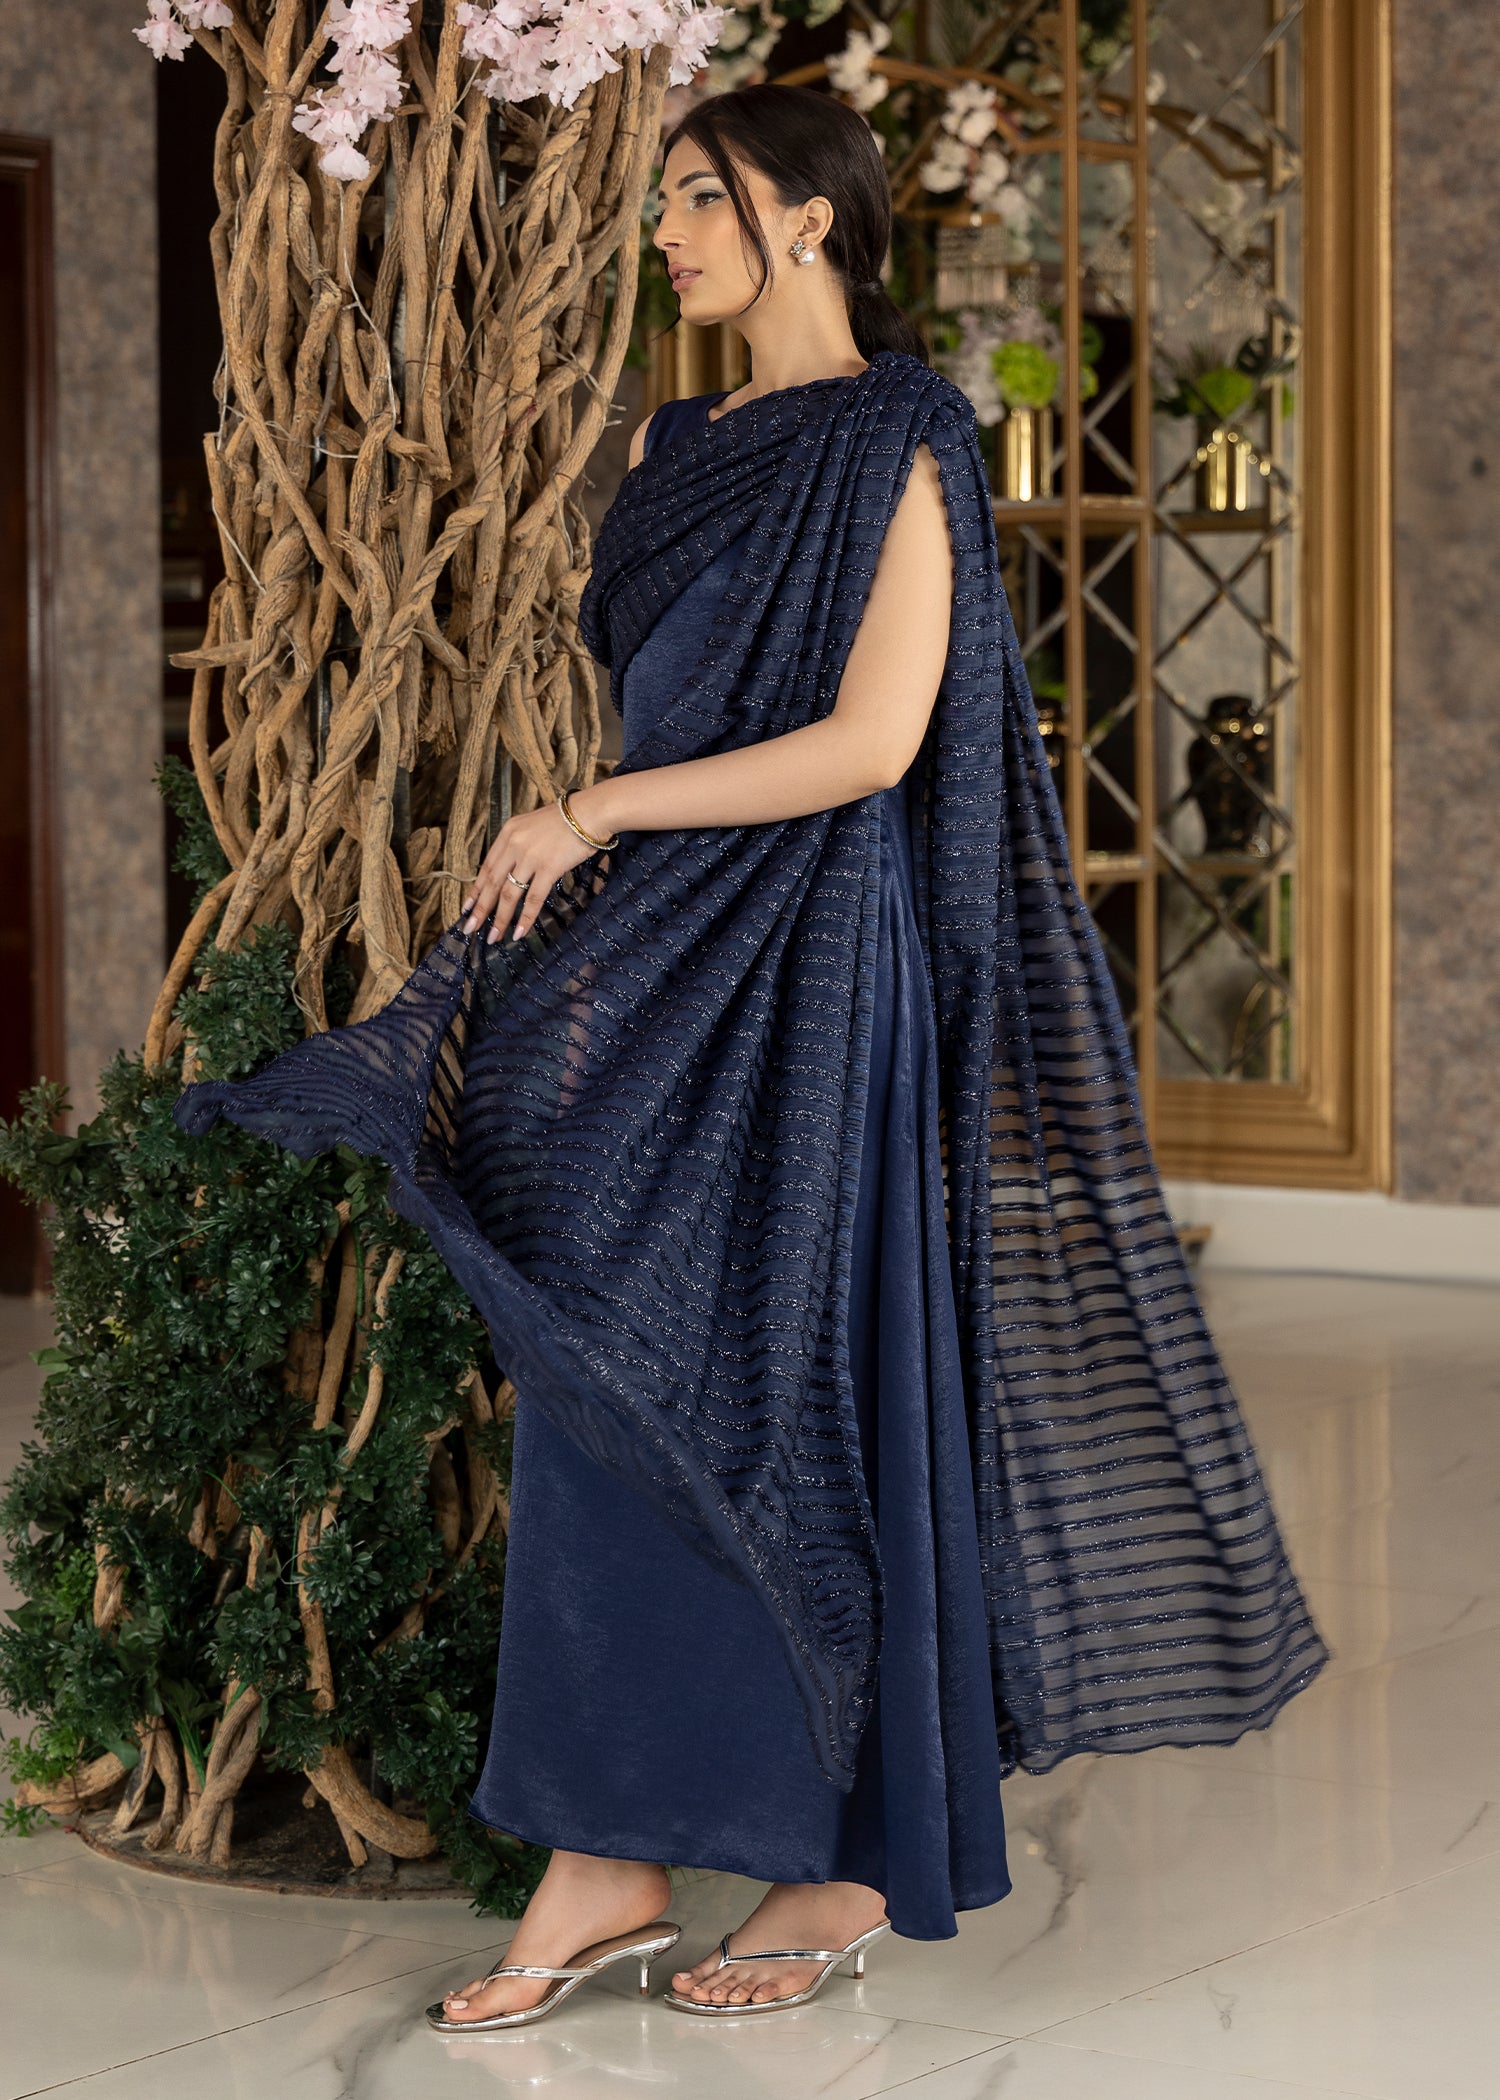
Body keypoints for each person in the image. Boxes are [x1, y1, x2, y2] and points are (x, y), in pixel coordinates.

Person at [174, 81, 1326, 2033]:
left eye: (699, 199)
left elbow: (876, 743)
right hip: (645, 960)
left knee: (809, 1390)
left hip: (819, 965)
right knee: (606, 1363)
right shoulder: (669, 439)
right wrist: (603, 847)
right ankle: (608, 1853)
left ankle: (843, 1852)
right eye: (664, 204)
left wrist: (595, 811)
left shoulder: (905, 430)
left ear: (807, 216)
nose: (666, 236)